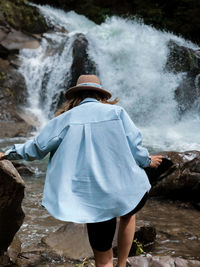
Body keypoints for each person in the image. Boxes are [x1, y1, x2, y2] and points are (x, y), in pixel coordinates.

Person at [0, 74, 162, 267]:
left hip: (95, 199)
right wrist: (147, 161)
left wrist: (7, 153)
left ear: (75, 97)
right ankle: (123, 263)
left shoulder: (63, 120)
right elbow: (135, 148)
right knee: (128, 211)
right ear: (101, 95)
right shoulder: (117, 113)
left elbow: (36, 148)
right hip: (121, 190)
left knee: (103, 258)